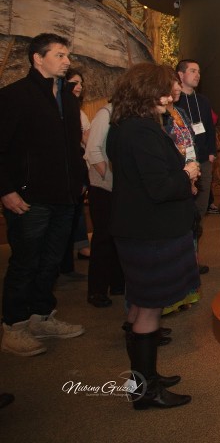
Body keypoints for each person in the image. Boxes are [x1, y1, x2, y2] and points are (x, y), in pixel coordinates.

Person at [107, 63, 199, 410]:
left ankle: (144, 378)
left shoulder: (125, 127)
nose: (170, 94)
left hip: (139, 230)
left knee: (140, 307)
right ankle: (146, 391)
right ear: (147, 92)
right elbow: (159, 187)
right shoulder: (142, 131)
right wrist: (187, 172)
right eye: (164, 88)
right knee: (147, 310)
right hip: (150, 233)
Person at [0, 33, 88, 357]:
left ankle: (41, 316)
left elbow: (72, 148)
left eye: (67, 55)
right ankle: (14, 326)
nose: (67, 61)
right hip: (28, 198)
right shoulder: (15, 96)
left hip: (65, 197)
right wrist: (6, 190)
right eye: (60, 55)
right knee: (25, 261)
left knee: (51, 260)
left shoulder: (68, 97)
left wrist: (78, 180)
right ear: (38, 58)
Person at [161, 79, 202, 313]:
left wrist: (193, 178)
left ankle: (185, 291)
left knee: (189, 233)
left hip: (188, 173)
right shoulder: (156, 117)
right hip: (172, 179)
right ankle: (168, 297)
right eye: (172, 85)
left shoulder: (181, 112)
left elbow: (191, 143)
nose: (175, 89)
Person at [84, 100, 125, 308]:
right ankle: (97, 290)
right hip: (103, 187)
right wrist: (109, 178)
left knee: (120, 235)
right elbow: (93, 150)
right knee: (103, 238)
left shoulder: (129, 113)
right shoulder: (105, 113)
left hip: (121, 188)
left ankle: (118, 283)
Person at [174, 59, 217, 222]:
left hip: (204, 159)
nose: (197, 75)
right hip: (182, 161)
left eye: (198, 72)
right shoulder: (174, 101)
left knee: (201, 203)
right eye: (193, 71)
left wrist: (212, 151)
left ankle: (196, 237)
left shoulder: (203, 101)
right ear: (180, 74)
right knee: (185, 204)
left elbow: (210, 128)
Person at [60, 68, 91, 274]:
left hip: (79, 166)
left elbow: (86, 140)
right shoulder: (57, 108)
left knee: (76, 211)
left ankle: (76, 252)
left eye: (80, 82)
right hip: (62, 170)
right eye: (73, 82)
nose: (78, 86)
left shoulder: (80, 112)